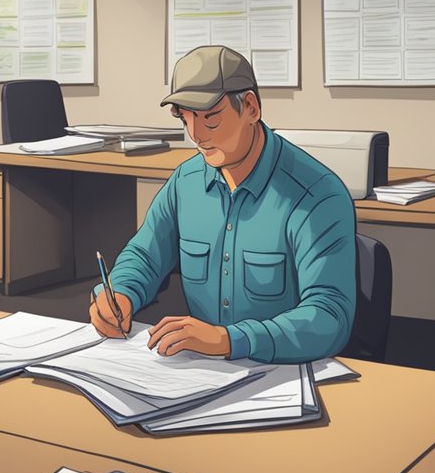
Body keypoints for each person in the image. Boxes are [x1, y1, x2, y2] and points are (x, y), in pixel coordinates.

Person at [89, 46, 356, 363]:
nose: (196, 135)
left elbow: (329, 316)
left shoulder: (316, 195)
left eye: (210, 119)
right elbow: (145, 255)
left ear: (251, 109)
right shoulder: (185, 183)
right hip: (201, 371)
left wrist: (232, 340)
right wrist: (120, 292)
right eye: (184, 119)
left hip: (285, 373)